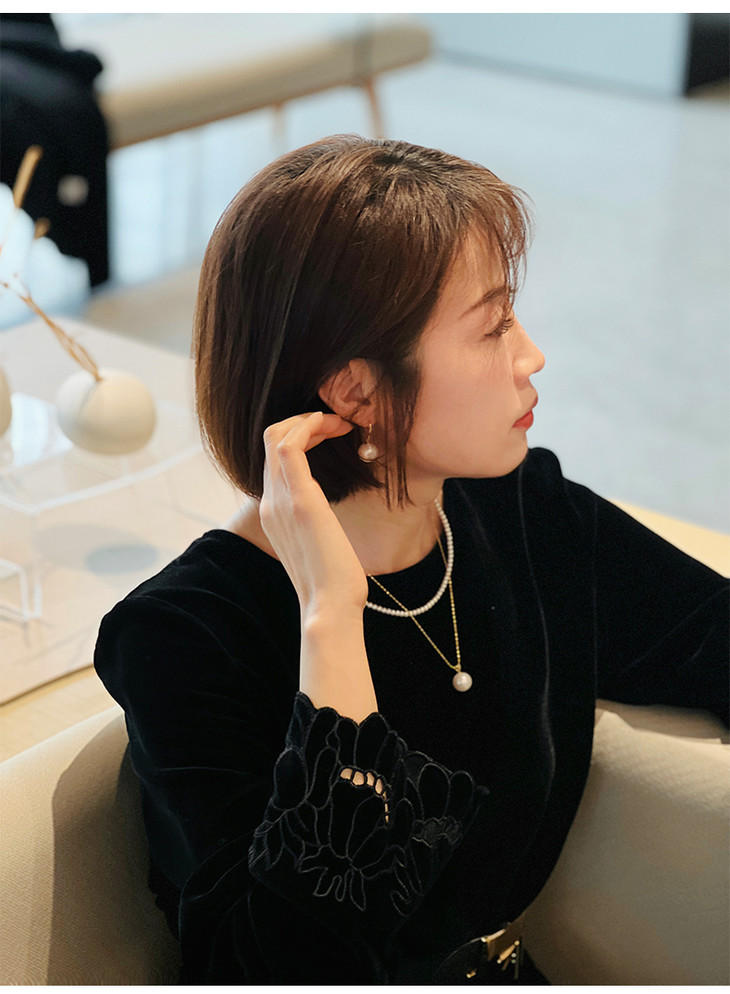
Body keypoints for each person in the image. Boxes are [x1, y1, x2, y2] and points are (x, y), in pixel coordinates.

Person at [94, 135, 728, 985]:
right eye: (493, 327)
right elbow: (285, 967)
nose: (530, 355)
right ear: (355, 390)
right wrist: (331, 618)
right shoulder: (187, 636)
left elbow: (711, 638)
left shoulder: (517, 510)